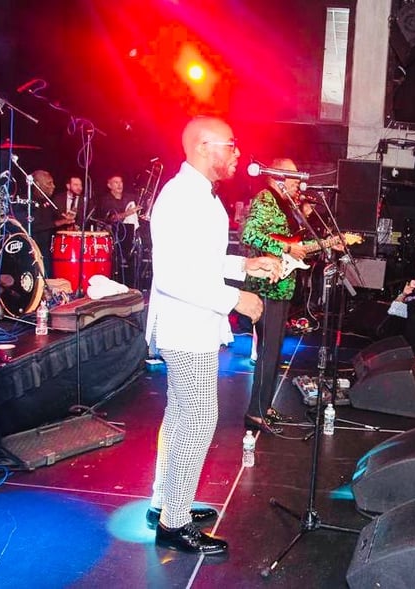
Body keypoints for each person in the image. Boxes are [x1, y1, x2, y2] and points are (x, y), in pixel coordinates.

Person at [145, 116, 280, 554]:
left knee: (183, 415)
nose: (238, 153)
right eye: (232, 145)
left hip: (194, 325)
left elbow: (201, 261)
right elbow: (171, 277)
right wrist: (235, 299)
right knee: (198, 418)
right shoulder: (181, 198)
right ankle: (174, 522)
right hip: (187, 328)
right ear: (205, 146)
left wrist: (244, 266)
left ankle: (166, 502)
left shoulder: (201, 196)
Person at [241, 158, 310, 433]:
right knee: (268, 351)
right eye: (292, 176)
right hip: (266, 285)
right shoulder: (265, 199)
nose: (297, 181)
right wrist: (286, 250)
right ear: (277, 176)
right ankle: (255, 413)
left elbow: (287, 240)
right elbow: (250, 234)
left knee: (274, 351)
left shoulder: (284, 203)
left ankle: (264, 405)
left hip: (280, 286)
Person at [98, 174, 140, 286]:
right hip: (115, 232)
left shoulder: (129, 197)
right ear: (109, 185)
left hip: (129, 232)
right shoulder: (106, 200)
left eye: (120, 182)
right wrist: (128, 213)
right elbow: (111, 218)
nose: (119, 185)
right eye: (116, 182)